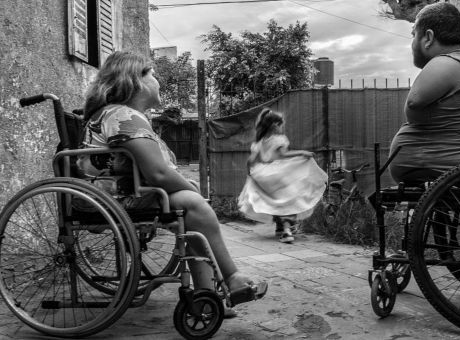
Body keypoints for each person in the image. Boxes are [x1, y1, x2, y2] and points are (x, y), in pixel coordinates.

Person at [76, 50, 267, 309]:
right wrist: (190, 190)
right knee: (192, 202)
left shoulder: (119, 115)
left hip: (116, 195)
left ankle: (207, 296)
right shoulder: (122, 116)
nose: (158, 81)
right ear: (136, 80)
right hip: (113, 199)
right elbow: (158, 174)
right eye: (153, 74)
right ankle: (232, 278)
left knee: (190, 207)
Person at [388, 2, 460, 184]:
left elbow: (414, 100)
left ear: (428, 37)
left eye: (414, 35)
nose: (412, 43)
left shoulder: (447, 63)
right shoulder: (459, 61)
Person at [238, 108, 327, 243]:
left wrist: (249, 173)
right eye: (280, 124)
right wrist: (302, 153)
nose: (282, 127)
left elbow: (251, 160)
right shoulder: (279, 139)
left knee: (275, 199)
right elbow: (283, 155)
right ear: (275, 125)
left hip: (262, 173)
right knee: (290, 198)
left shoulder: (259, 141)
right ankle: (287, 231)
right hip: (277, 172)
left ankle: (280, 227)